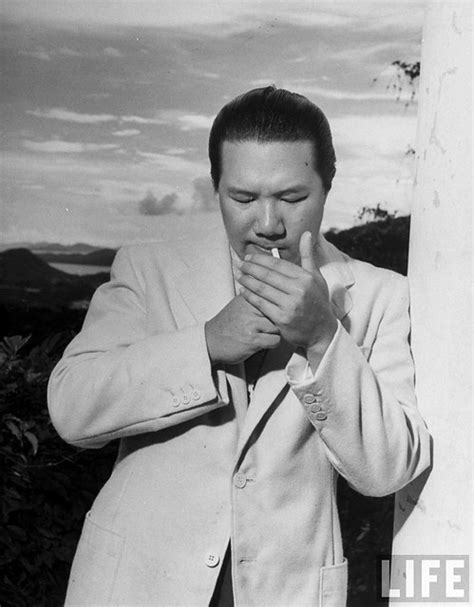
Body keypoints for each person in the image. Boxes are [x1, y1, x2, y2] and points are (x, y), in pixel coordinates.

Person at [48, 86, 431, 607]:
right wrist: (205, 344)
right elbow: (71, 409)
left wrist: (323, 339)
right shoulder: (147, 268)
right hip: (136, 584)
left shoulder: (382, 295)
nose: (269, 223)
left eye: (293, 198)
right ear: (215, 187)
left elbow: (389, 469)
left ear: (328, 184)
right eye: (243, 198)